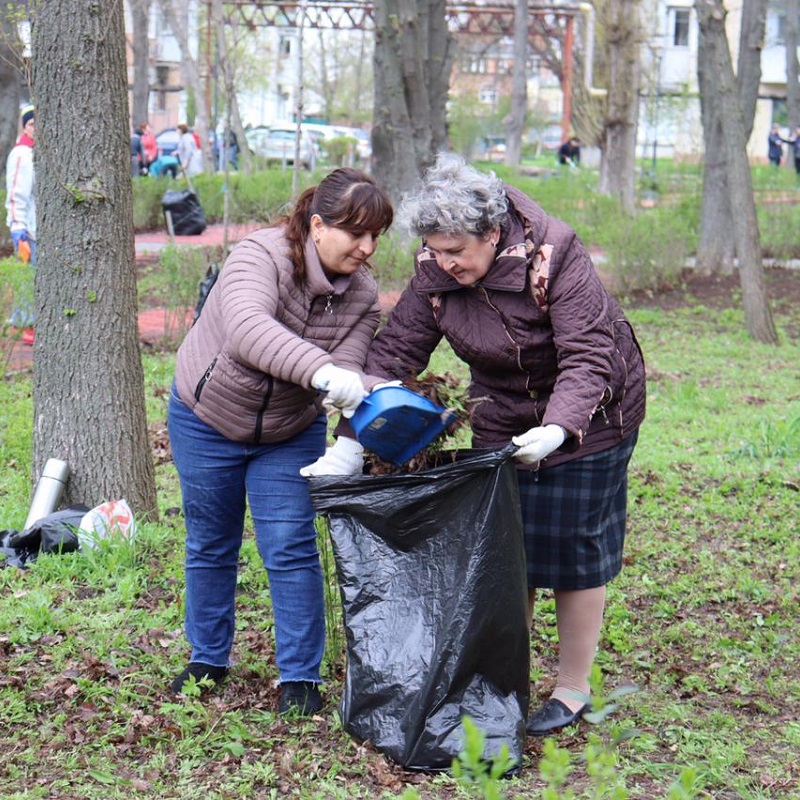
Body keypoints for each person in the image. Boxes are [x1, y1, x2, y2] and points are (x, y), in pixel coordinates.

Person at [303, 153, 647, 736]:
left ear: (492, 233)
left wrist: (560, 428)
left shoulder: (553, 255)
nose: (445, 263)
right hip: (503, 413)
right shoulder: (435, 272)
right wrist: (350, 443)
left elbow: (589, 357)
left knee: (573, 552)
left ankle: (572, 687)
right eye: (435, 250)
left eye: (456, 251)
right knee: (508, 549)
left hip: (595, 415)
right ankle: (501, 680)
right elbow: (395, 355)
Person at [167, 168, 394, 715]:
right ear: (317, 225)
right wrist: (323, 373)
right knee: (210, 543)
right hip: (206, 419)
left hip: (288, 433)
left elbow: (349, 366)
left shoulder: (362, 296)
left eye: (375, 237)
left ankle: (299, 677)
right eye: (355, 234)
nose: (366, 249)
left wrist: (369, 387)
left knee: (290, 548)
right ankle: (207, 660)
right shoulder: (259, 256)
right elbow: (248, 329)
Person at [5, 104, 37, 344]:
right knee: (28, 277)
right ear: (25, 126)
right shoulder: (22, 154)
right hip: (26, 229)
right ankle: (25, 323)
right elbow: (17, 193)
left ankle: (28, 320)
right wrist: (18, 227)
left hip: (39, 228)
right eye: (31, 123)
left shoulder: (37, 151)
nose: (36, 128)